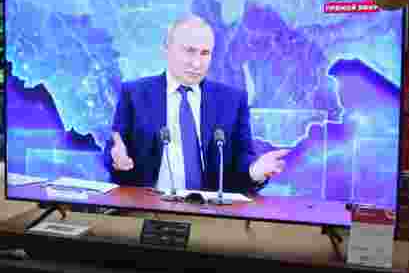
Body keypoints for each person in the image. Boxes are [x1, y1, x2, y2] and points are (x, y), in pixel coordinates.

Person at [109, 15, 289, 194]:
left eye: (205, 53)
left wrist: (255, 171)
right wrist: (117, 161)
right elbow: (115, 150)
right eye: (189, 51)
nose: (197, 63)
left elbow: (241, 162)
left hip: (210, 208)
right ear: (167, 49)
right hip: (149, 205)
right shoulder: (134, 94)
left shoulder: (232, 101)